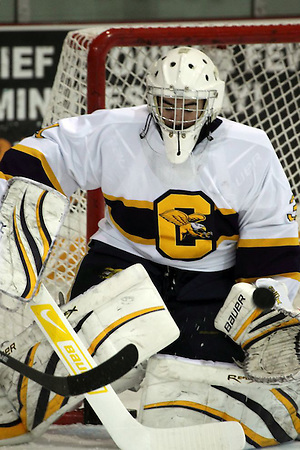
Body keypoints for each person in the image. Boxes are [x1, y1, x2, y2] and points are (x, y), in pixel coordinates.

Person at [0, 46, 299, 447]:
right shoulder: (115, 130)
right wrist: (10, 202)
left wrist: (266, 304)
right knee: (87, 347)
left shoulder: (251, 150)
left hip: (210, 282)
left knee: (191, 387)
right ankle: (11, 405)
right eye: (168, 104)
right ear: (150, 98)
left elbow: (274, 248)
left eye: (189, 106)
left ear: (213, 103)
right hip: (124, 262)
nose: (178, 116)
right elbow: (46, 153)